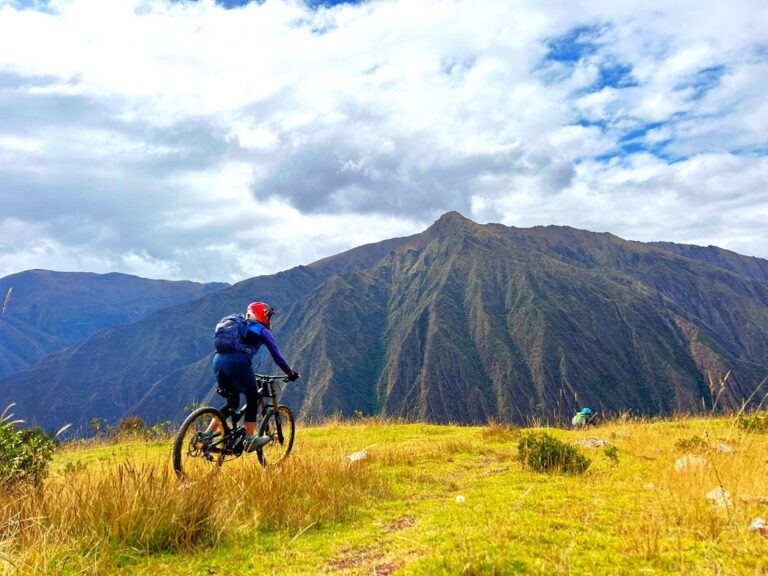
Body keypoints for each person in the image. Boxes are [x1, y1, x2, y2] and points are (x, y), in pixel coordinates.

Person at [209, 301, 299, 452]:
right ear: (262, 315)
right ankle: (250, 439)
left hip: (218, 361)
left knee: (232, 403)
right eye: (268, 316)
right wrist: (290, 373)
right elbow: (277, 356)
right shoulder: (262, 330)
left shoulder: (238, 326)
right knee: (252, 397)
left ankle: (206, 435)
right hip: (238, 364)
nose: (269, 319)